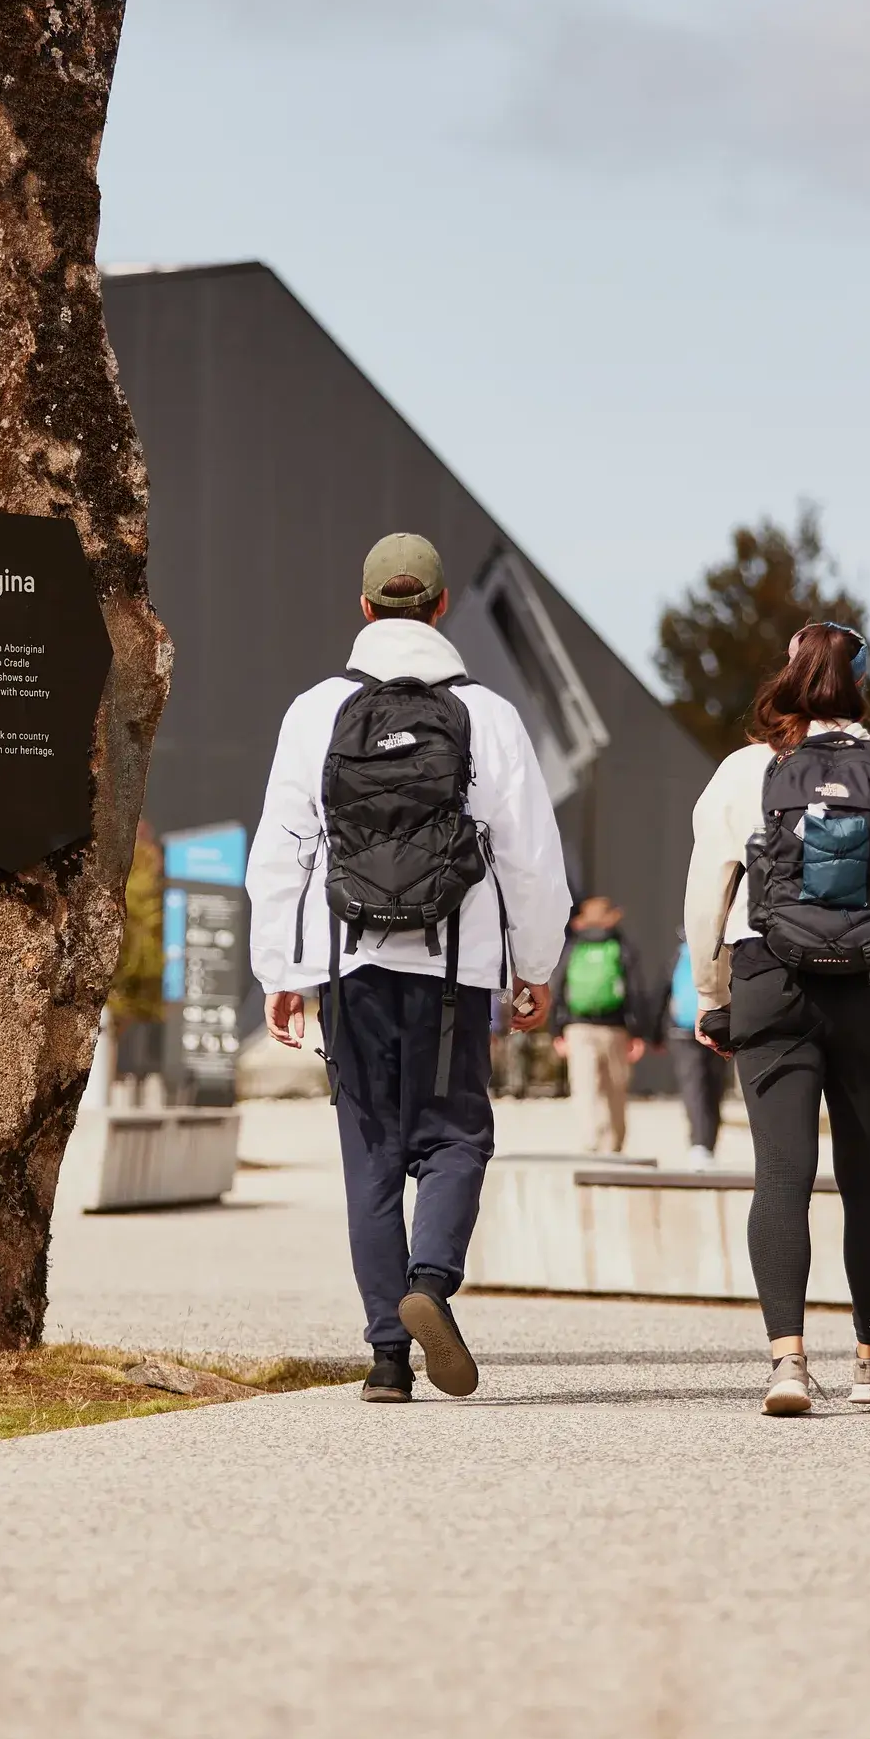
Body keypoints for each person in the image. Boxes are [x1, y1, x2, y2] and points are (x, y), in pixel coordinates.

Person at [248, 531, 572, 1403]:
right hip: (454, 968)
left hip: (349, 964)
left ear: (364, 608)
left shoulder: (316, 711)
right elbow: (530, 857)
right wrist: (535, 964)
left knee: (371, 1152)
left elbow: (284, 848)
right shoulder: (488, 715)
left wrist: (280, 967)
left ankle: (389, 1356)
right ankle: (431, 1284)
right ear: (438, 608)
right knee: (457, 1135)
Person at [682, 620, 870, 1417]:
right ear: (859, 684)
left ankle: (786, 1362)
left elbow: (704, 896)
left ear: (790, 676)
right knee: (867, 1176)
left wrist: (713, 999)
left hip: (769, 983)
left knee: (780, 1173)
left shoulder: (747, 771)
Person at [554, 896, 646, 1153]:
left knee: (584, 1086)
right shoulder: (622, 946)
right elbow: (635, 991)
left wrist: (557, 1029)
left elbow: (558, 987)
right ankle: (614, 1144)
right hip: (615, 1028)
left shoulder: (573, 947)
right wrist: (638, 1032)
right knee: (616, 1088)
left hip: (577, 1027)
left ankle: (590, 1138)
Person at [662, 933, 727, 1168]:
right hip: (717, 1025)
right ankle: (707, 1142)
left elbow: (662, 990)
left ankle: (699, 1144)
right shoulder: (724, 949)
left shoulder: (680, 954)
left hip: (682, 1030)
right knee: (714, 1085)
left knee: (693, 1086)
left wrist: (652, 1033)